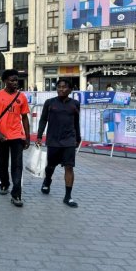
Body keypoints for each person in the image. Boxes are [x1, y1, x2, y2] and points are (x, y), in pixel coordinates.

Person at [36, 79, 81, 208]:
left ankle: (68, 196)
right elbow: (43, 120)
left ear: (71, 90)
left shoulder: (75, 104)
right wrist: (39, 136)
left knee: (69, 167)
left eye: (64, 87)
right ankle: (47, 181)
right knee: (51, 166)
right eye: (59, 87)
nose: (61, 89)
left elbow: (76, 122)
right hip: (53, 140)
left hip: (69, 140)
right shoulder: (49, 103)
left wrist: (78, 137)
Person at [0, 69, 30, 207]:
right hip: (0, 137)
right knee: (3, 163)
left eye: (16, 80)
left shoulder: (22, 97)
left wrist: (27, 137)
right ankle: (4, 184)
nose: (15, 83)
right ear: (5, 81)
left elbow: (25, 118)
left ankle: (16, 194)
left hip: (17, 136)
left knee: (17, 165)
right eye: (12, 80)